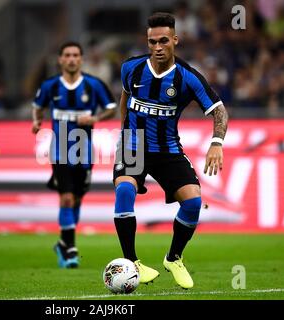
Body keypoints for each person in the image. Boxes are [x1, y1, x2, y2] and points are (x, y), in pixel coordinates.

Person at [113, 12, 228, 288]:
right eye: (152, 42)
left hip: (167, 149)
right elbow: (125, 97)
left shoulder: (188, 78)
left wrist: (216, 143)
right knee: (125, 190)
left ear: (175, 40)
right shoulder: (131, 68)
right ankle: (132, 262)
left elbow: (219, 111)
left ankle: (174, 257)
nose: (157, 47)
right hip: (134, 145)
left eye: (164, 40)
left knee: (193, 202)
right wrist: (123, 133)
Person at [32, 41, 116, 268]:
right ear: (60, 59)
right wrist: (36, 120)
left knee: (77, 198)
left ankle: (63, 242)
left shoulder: (94, 85)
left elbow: (112, 108)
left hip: (84, 152)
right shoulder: (50, 86)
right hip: (59, 150)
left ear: (81, 59)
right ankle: (70, 249)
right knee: (66, 197)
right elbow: (37, 105)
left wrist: (96, 119)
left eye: (75, 55)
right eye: (67, 55)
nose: (71, 59)